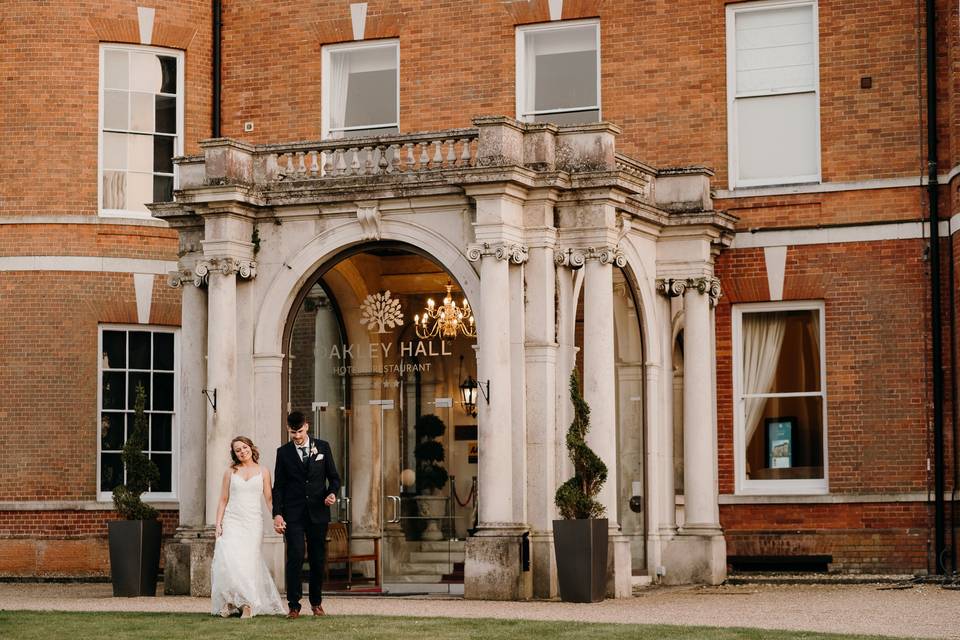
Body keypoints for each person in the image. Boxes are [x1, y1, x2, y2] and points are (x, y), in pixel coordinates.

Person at [273, 411, 341, 618]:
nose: (296, 436)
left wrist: (332, 494)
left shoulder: (323, 447)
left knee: (317, 559)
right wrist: (277, 514)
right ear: (288, 428)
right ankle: (294, 605)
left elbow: (334, 478)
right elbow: (279, 487)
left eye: (300, 431)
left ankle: (316, 603)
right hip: (293, 514)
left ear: (307, 426)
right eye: (293, 432)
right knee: (294, 556)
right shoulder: (283, 452)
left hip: (318, 513)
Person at [209, 436, 286, 618]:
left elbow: (269, 498)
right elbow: (223, 500)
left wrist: (276, 517)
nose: (242, 452)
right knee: (230, 561)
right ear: (234, 454)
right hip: (232, 520)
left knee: (248, 562)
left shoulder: (263, 471)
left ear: (251, 448)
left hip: (253, 523)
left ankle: (248, 604)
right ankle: (233, 601)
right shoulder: (230, 472)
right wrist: (218, 524)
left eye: (244, 447)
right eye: (238, 450)